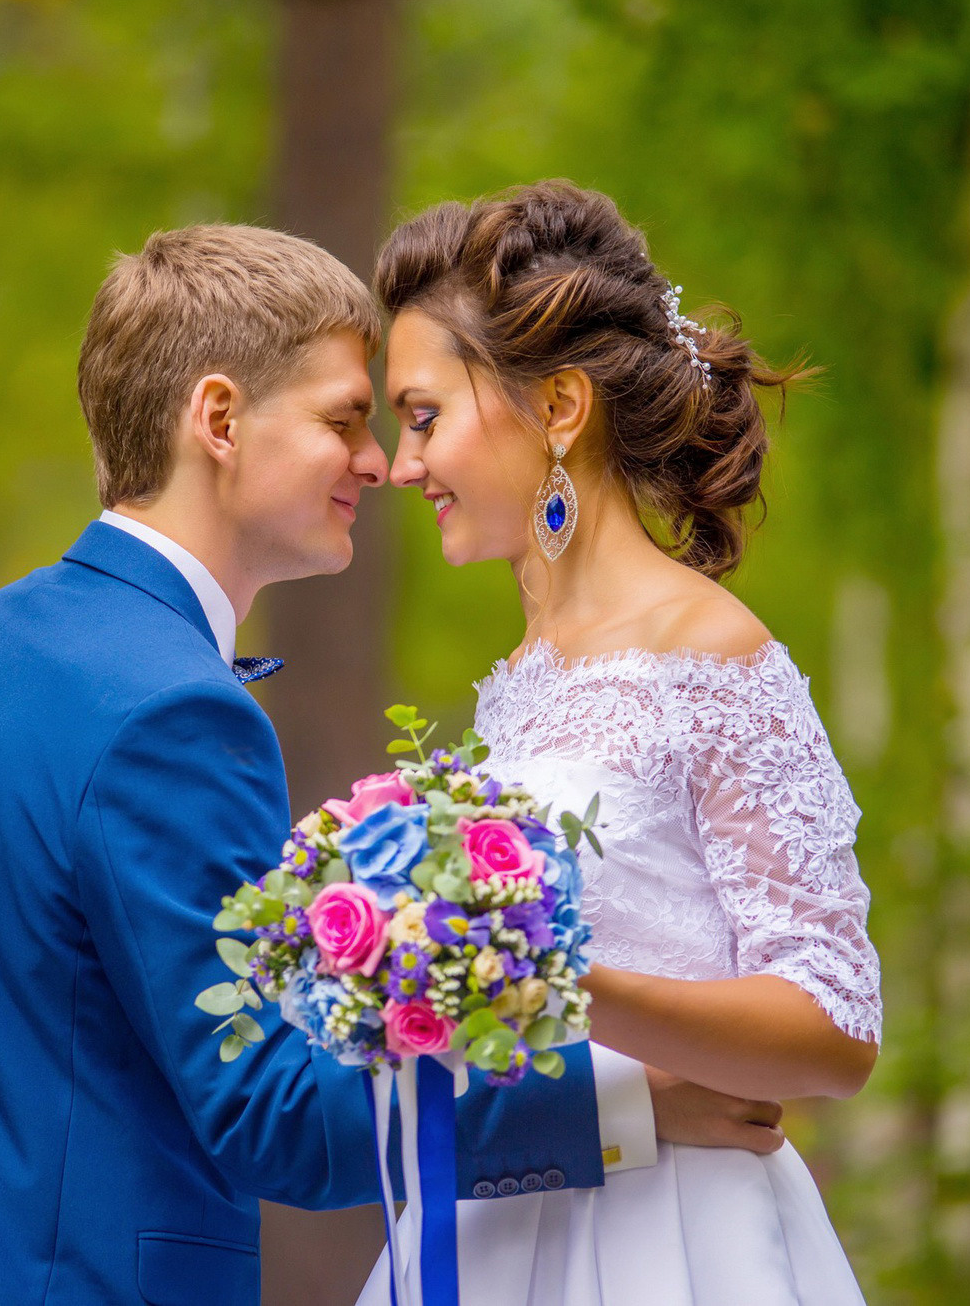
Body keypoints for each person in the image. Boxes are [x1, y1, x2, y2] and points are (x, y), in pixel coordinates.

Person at [0, 222, 786, 1306]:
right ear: (218, 420)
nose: (379, 461)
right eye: (344, 419)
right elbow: (268, 1109)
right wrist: (622, 1102)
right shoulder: (177, 712)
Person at [365, 180, 882, 1304]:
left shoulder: (711, 653)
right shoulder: (517, 679)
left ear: (557, 406)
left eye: (419, 416)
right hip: (509, 1217)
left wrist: (560, 982)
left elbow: (832, 1025)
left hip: (676, 1244)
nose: (401, 465)